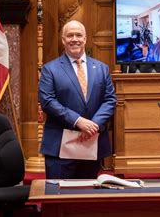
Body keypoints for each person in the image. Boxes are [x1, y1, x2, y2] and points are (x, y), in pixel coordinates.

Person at [39, 20, 116, 179]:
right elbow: (47, 101)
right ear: (63, 40)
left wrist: (93, 125)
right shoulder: (50, 69)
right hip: (60, 147)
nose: (75, 39)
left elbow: (110, 100)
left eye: (79, 35)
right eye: (70, 35)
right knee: (58, 198)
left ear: (85, 39)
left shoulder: (102, 68)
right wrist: (78, 121)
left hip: (91, 143)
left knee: (86, 197)